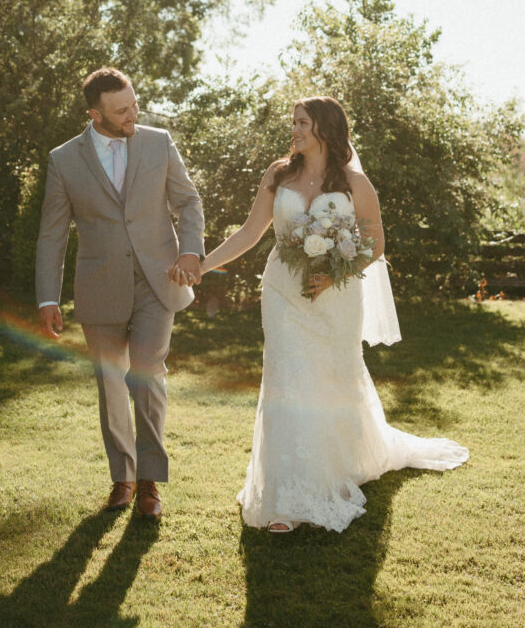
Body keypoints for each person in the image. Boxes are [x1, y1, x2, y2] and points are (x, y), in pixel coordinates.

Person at [196, 96, 468, 533]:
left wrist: (336, 271)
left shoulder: (355, 183)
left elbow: (376, 243)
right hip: (284, 292)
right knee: (288, 379)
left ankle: (337, 466)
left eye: (302, 122)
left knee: (332, 379)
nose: (294, 130)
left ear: (324, 128)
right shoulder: (278, 175)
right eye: (294, 123)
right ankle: (289, 495)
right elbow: (250, 232)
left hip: (335, 297)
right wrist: (203, 264)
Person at [36, 68, 204, 519]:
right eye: (121, 110)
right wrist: (47, 298)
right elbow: (52, 234)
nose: (134, 114)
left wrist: (191, 251)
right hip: (99, 285)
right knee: (110, 383)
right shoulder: (64, 160)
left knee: (146, 372)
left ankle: (150, 482)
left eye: (134, 103)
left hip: (158, 278)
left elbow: (187, 202)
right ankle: (122, 478)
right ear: (96, 114)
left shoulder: (158, 141)